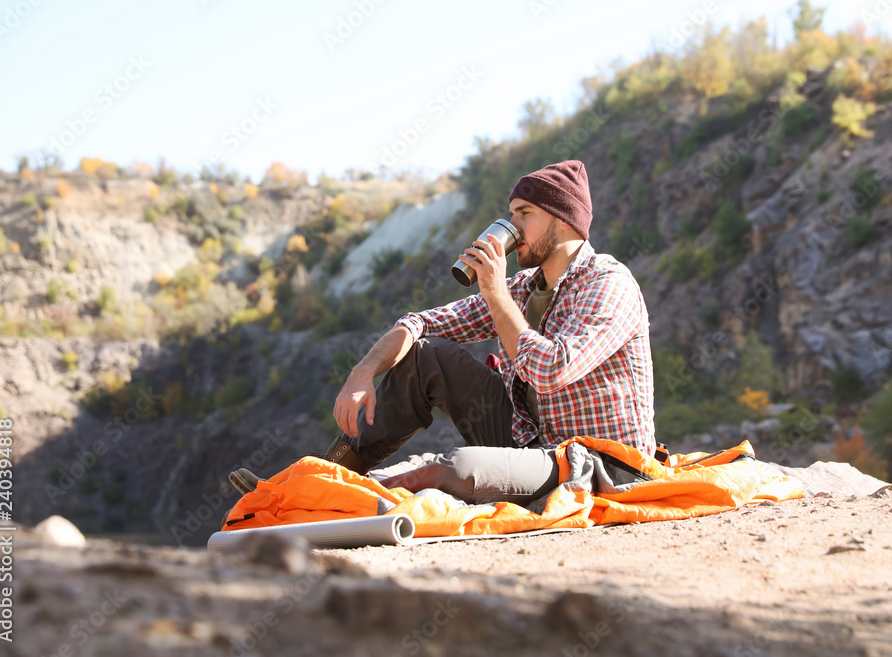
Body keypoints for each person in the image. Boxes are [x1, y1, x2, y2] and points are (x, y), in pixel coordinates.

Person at [229, 160, 655, 507]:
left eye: (524, 214)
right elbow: (420, 322)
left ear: (563, 222)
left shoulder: (608, 283)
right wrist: (362, 374)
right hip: (533, 444)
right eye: (511, 215)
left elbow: (553, 370)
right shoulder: (525, 288)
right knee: (426, 353)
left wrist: (493, 292)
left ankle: (335, 499)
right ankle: (326, 476)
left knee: (450, 469)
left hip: (600, 464)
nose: (512, 227)